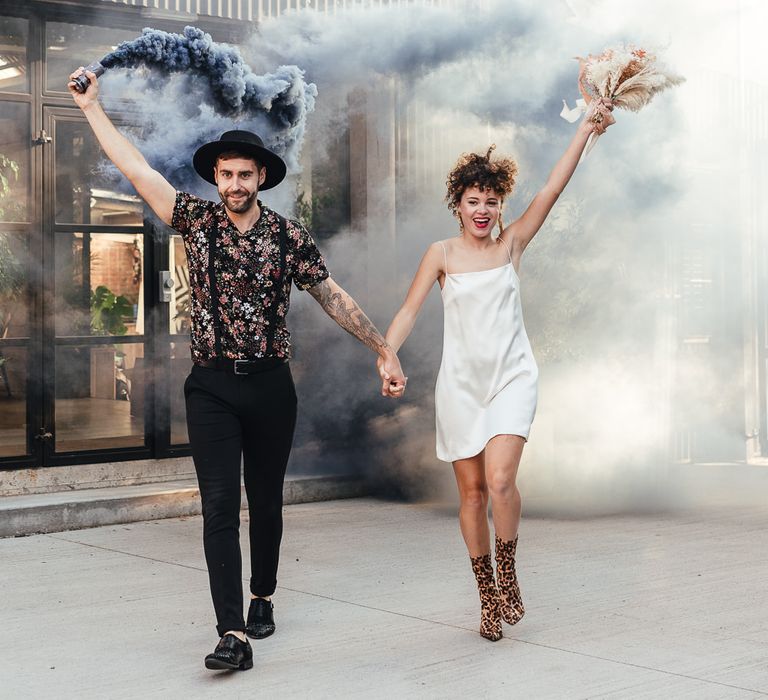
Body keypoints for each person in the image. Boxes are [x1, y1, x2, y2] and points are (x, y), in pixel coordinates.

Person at [68, 67, 407, 670]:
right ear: (215, 178)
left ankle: (263, 595)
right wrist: (94, 109)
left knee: (266, 501)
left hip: (272, 387)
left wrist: (382, 347)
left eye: (243, 175)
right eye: (224, 174)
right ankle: (232, 634)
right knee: (220, 505)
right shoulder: (196, 224)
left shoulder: (287, 236)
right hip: (213, 388)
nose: (232, 184)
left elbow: (332, 296)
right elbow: (137, 170)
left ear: (261, 180)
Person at [381, 99, 615, 641]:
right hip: (461, 386)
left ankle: (508, 572)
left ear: (501, 206)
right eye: (472, 201)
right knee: (472, 496)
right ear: (457, 206)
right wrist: (387, 353)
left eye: (491, 201)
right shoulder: (440, 254)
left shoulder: (512, 244)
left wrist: (584, 129)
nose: (482, 210)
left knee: (502, 479)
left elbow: (553, 189)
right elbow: (410, 310)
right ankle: (487, 595)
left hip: (512, 376)